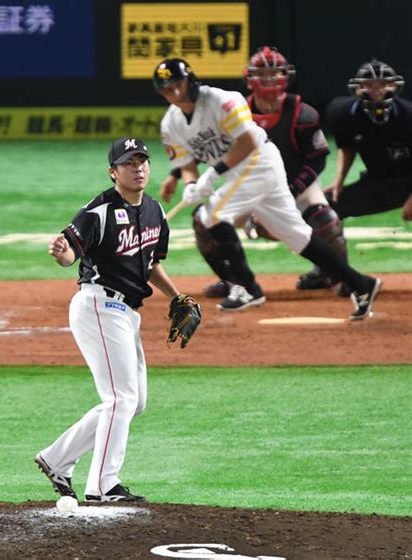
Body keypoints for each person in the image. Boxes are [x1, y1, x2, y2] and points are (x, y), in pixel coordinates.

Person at [35, 137, 200, 503]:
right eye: (128, 163)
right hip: (98, 306)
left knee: (133, 402)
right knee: (120, 398)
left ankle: (57, 458)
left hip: (128, 313)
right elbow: (69, 255)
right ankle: (103, 486)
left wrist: (175, 296)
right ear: (113, 172)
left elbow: (151, 263)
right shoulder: (98, 211)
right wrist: (61, 254)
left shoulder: (155, 211)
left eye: (142, 161)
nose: (137, 168)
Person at [154, 57, 381, 319]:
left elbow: (248, 142)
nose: (174, 92)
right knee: (298, 236)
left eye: (177, 84)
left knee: (213, 215)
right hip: (239, 172)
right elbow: (186, 164)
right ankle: (361, 283)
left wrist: (213, 174)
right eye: (167, 88)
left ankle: (248, 288)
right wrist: (192, 182)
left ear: (190, 80)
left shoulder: (221, 100)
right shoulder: (170, 124)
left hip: (258, 161)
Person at [325, 59, 412, 223]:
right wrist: (339, 181)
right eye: (369, 84)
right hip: (377, 182)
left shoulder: (408, 115)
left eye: (383, 84)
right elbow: (347, 147)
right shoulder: (343, 112)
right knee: (324, 210)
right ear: (358, 88)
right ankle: (331, 248)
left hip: (408, 182)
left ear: (394, 85)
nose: (377, 91)